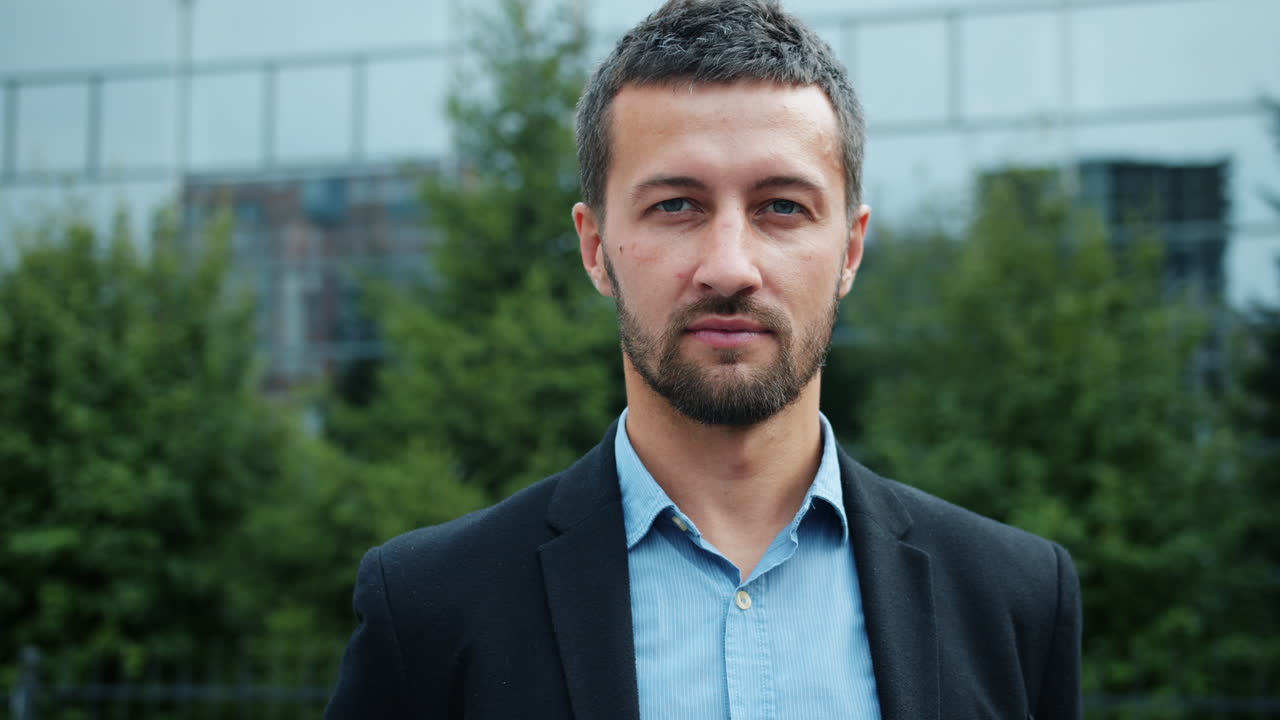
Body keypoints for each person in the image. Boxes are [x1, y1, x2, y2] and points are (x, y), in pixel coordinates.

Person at [324, 0, 1082, 718]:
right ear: (595, 248)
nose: (729, 267)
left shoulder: (1014, 600)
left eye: (781, 206)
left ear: (850, 249)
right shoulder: (430, 607)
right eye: (676, 206)